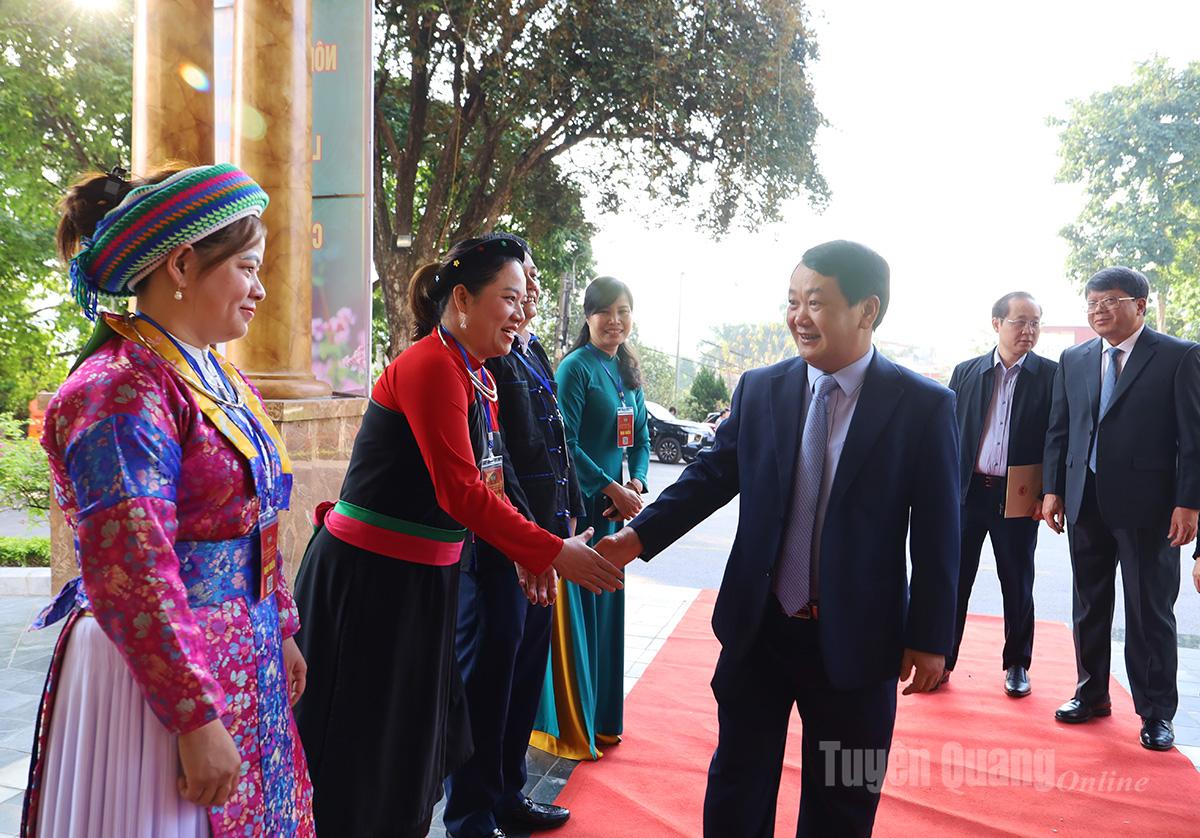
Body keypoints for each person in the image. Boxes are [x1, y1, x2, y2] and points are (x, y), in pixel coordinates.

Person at [596, 240, 959, 837]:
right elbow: (711, 476)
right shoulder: (762, 388)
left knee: (845, 794)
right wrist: (632, 540)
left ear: (867, 311)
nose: (798, 317)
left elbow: (941, 532)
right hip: (758, 627)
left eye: (815, 302)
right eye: (792, 302)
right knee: (738, 781)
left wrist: (930, 638)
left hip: (859, 642)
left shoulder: (923, 405)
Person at [291, 236, 622, 837]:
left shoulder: (475, 374)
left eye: (525, 300)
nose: (521, 314)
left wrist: (525, 554)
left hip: (419, 581)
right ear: (463, 300)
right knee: (361, 742)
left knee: (409, 744)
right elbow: (460, 492)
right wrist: (550, 551)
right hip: (369, 583)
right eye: (509, 299)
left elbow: (491, 482)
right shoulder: (430, 366)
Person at [26, 163, 314, 836]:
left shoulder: (216, 375)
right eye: (246, 266)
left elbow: (257, 518)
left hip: (241, 648)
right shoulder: (118, 390)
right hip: (157, 679)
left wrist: (281, 622)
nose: (259, 288)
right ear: (182, 263)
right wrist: (194, 716)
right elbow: (132, 569)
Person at [443, 235, 583, 837]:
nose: (524, 301)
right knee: (487, 683)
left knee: (524, 674)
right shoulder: (484, 356)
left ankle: (507, 795)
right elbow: (495, 466)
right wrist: (532, 542)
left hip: (539, 541)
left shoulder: (528, 351)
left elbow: (555, 447)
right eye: (515, 288)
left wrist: (568, 515)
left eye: (529, 288)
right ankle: (469, 813)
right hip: (500, 546)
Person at [1042, 266, 1200, 751]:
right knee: (1088, 604)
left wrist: (1188, 502)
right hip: (1084, 500)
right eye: (1092, 301)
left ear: (1140, 305)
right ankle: (1091, 694)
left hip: (1150, 507)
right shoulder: (1074, 357)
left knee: (1149, 610)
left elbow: (1193, 438)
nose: (1098, 309)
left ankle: (1156, 712)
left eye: (1110, 300)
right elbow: (1060, 429)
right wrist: (1053, 489)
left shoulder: (1178, 356)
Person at [531, 276, 651, 760]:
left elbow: (641, 439)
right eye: (605, 311)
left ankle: (602, 719)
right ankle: (569, 725)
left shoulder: (626, 369)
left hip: (616, 514)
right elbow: (567, 444)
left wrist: (637, 483)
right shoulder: (575, 369)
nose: (615, 321)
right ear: (588, 316)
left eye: (623, 311)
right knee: (580, 614)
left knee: (607, 614)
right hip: (584, 512)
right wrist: (611, 487)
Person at [944, 292, 1056, 697]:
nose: (1029, 330)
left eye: (1035, 323)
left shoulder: (1051, 376)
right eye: (1020, 321)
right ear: (997, 324)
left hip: (1020, 496)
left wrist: (1050, 492)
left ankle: (1017, 665)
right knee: (954, 580)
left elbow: (1057, 439)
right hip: (969, 492)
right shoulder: (967, 372)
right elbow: (949, 434)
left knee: (1017, 581)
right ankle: (943, 658)